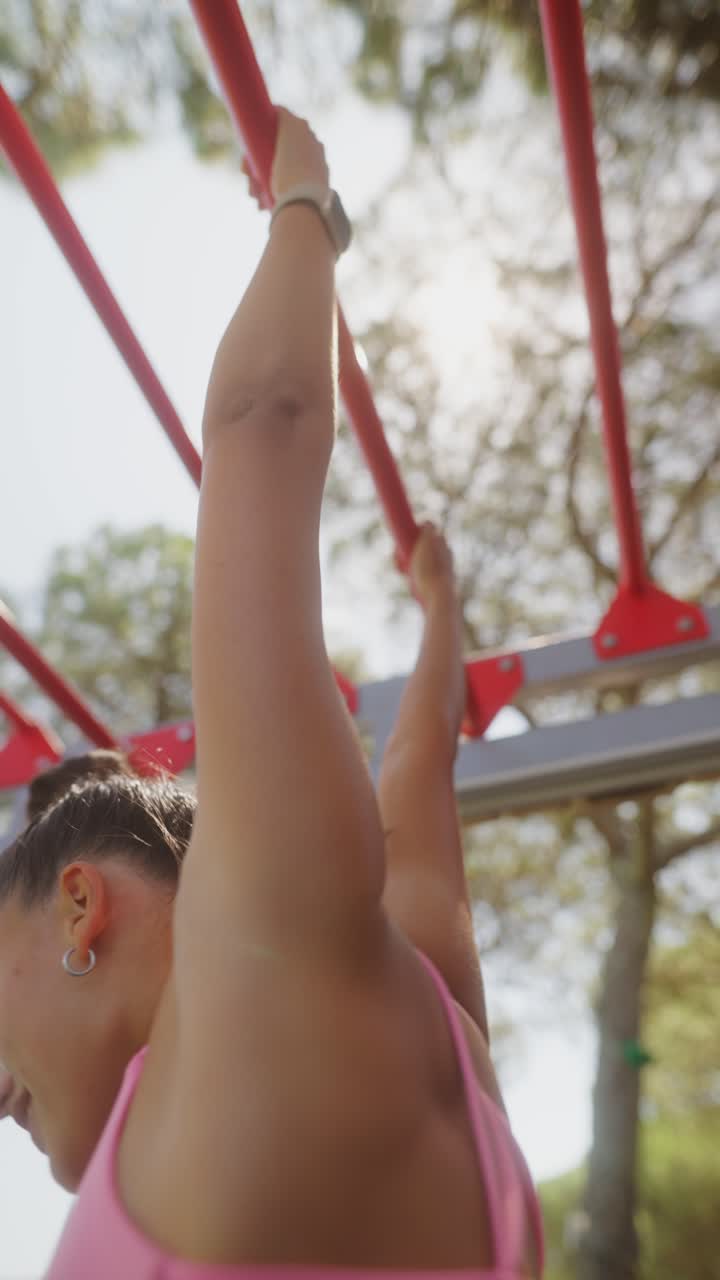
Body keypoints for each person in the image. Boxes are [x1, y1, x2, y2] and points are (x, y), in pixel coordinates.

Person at [0, 110, 544, 1278]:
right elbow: (417, 773)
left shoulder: (264, 971)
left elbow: (264, 425)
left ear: (82, 903)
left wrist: (308, 197)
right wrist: (302, 197)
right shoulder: (402, 979)